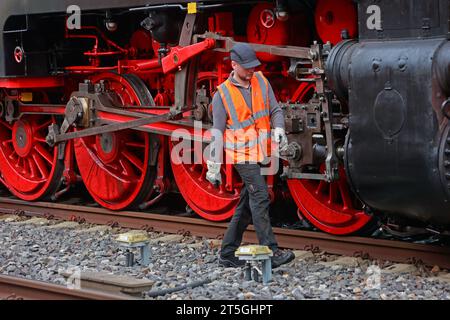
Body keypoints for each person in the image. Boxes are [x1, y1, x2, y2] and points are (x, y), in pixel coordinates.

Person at [206, 43, 295, 269]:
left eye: (254, 66)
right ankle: (270, 252)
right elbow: (217, 133)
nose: (251, 71)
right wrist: (213, 165)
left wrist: (279, 128)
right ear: (234, 65)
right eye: (247, 68)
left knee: (247, 203)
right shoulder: (222, 95)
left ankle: (227, 253)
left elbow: (275, 110)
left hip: (260, 152)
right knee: (261, 197)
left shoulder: (261, 81)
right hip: (241, 156)